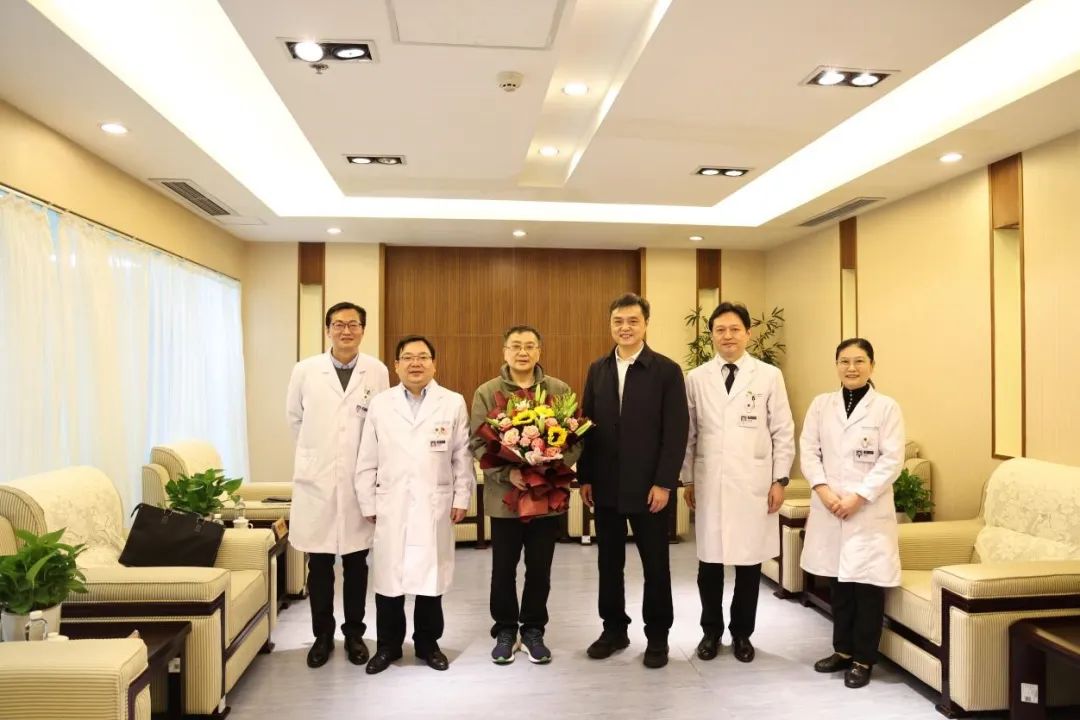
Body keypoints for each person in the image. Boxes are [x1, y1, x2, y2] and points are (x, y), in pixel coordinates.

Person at [578, 293, 689, 669]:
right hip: (606, 485)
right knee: (609, 564)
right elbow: (587, 426)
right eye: (618, 321)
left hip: (649, 489)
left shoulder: (666, 370)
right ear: (610, 325)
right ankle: (614, 630)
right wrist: (586, 477)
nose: (625, 328)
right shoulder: (598, 369)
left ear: (645, 324)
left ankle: (657, 636)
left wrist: (664, 483)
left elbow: (676, 431)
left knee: (656, 567)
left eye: (632, 321)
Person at [681, 302, 795, 663]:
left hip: (753, 483)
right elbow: (689, 434)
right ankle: (710, 632)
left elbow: (782, 430)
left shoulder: (768, 375)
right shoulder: (696, 378)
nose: (727, 336)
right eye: (720, 330)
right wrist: (688, 479)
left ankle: (742, 633)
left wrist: (779, 479)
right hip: (710, 481)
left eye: (734, 329)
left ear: (748, 333)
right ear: (711, 335)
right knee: (709, 564)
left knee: (748, 564)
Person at [356, 335, 475, 674]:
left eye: (423, 357)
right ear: (396, 365)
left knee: (431, 577)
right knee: (389, 579)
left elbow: (462, 456)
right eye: (407, 357)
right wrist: (367, 501)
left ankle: (428, 645)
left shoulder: (452, 402)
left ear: (434, 364)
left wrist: (461, 496)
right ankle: (388, 647)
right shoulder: (381, 404)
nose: (415, 363)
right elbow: (367, 457)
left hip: (433, 502)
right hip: (390, 503)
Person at [469, 325, 582, 665]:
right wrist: (510, 473)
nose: (523, 352)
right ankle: (505, 630)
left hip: (547, 496)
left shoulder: (558, 390)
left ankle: (533, 629)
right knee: (503, 569)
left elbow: (576, 440)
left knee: (540, 568)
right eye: (516, 346)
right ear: (505, 351)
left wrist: (550, 467)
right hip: (505, 497)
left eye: (530, 346)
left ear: (539, 351)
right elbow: (477, 442)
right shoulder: (487, 392)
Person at [286, 301, 389, 668]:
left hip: (359, 480)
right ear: (328, 329)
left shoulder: (376, 370)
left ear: (363, 329)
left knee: (357, 563)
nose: (346, 331)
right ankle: (322, 635)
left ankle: (355, 634)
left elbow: (381, 421)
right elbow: (295, 418)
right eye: (339, 324)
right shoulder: (305, 370)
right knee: (320, 564)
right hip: (317, 480)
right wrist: (317, 456)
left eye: (353, 324)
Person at [799, 337, 905, 689]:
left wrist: (859, 497)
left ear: (872, 366)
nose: (852, 368)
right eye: (844, 361)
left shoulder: (886, 408)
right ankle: (842, 650)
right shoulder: (821, 405)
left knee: (867, 588)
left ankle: (863, 659)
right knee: (839, 584)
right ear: (836, 366)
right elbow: (809, 450)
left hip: (867, 510)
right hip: (830, 505)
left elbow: (892, 459)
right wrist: (824, 491)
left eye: (859, 361)